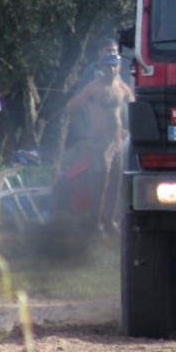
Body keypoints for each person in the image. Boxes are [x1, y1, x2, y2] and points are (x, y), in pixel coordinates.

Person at [66, 53, 134, 232]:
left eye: (114, 66)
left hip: (117, 141)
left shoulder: (121, 86)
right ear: (101, 67)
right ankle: (95, 222)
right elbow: (72, 107)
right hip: (99, 141)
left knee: (116, 182)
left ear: (119, 67)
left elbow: (134, 106)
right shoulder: (94, 87)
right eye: (107, 66)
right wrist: (83, 131)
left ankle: (110, 220)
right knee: (100, 181)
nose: (111, 69)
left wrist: (130, 129)